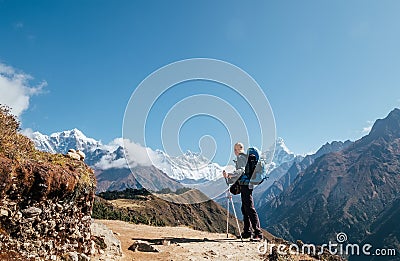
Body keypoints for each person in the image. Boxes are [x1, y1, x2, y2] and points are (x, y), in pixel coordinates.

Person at [223, 142, 263, 241]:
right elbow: (242, 173)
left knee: (249, 208)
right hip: (247, 184)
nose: (234, 151)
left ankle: (258, 233)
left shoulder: (241, 157)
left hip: (246, 185)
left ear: (236, 150)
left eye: (234, 149)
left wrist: (229, 175)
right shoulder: (245, 157)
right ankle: (247, 232)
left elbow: (240, 171)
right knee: (245, 209)